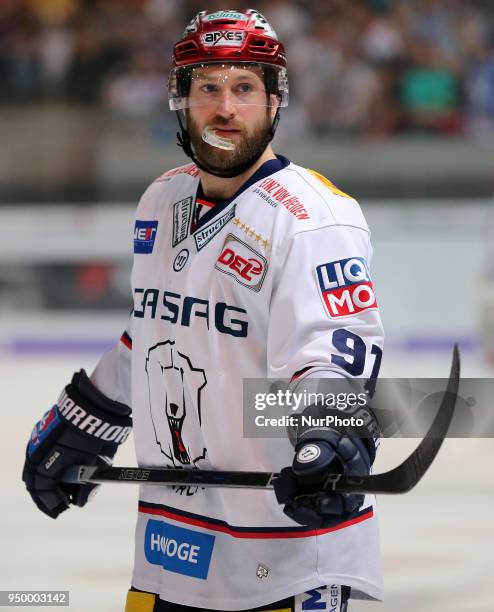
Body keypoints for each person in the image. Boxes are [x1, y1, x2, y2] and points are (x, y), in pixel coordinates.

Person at [22, 9, 385, 612]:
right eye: (207, 88)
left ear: (274, 102)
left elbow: (331, 350)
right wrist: (84, 421)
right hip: (171, 549)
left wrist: (329, 430)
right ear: (181, 102)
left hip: (284, 558)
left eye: (244, 88)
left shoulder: (313, 218)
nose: (224, 109)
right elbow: (152, 335)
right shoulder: (160, 201)